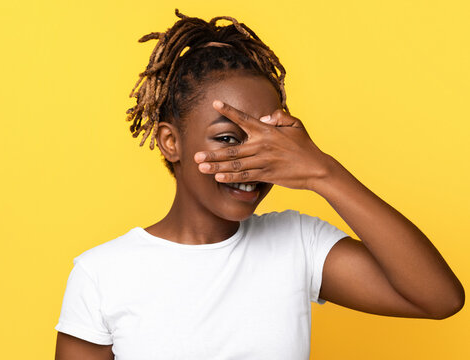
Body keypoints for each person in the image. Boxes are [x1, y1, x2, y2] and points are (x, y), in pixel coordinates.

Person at [54, 8, 464, 360]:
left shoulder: (297, 243)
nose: (253, 162)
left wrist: (324, 172)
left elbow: (440, 299)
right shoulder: (102, 274)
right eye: (228, 139)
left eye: (271, 141)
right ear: (171, 141)